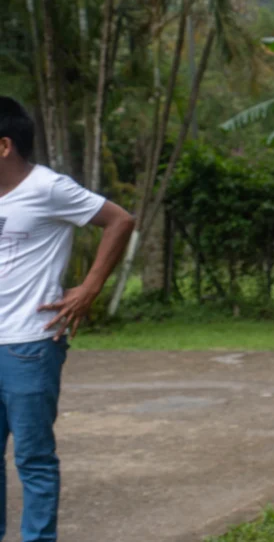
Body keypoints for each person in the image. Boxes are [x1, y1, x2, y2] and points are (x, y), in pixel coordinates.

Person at [0, 97, 135, 541]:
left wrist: (90, 287)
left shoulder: (47, 187)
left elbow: (119, 220)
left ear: (5, 146)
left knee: (33, 458)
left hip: (30, 345)